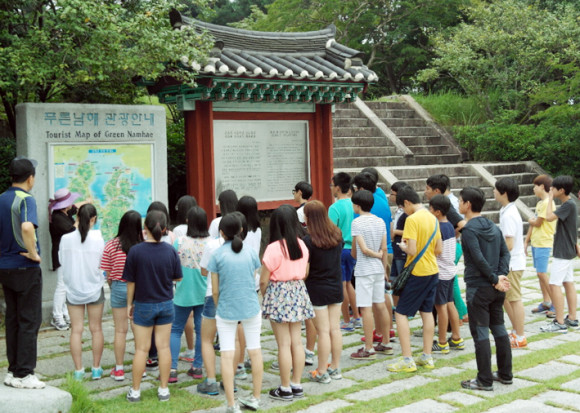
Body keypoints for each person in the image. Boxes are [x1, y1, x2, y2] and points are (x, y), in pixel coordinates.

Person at [123, 210, 183, 403]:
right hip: (166, 304)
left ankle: (135, 391)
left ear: (145, 228)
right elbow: (178, 277)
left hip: (143, 304)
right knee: (164, 347)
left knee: (141, 349)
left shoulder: (135, 251)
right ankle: (164, 390)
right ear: (165, 229)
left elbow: (130, 282)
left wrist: (129, 304)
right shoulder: (170, 251)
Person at [458, 186, 512, 391]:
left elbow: (478, 258)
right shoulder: (492, 226)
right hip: (495, 288)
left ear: (468, 204)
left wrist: (495, 278)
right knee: (499, 328)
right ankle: (505, 374)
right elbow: (505, 254)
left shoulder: (469, 230)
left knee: (480, 332)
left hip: (479, 288)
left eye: (460, 201)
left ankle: (484, 380)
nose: (459, 204)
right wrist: (500, 277)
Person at [208, 214, 263, 412]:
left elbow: (215, 290)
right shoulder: (251, 252)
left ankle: (231, 404)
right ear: (241, 230)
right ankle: (256, 397)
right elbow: (253, 277)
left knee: (226, 355)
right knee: (255, 351)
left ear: (221, 233)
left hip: (226, 308)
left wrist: (219, 306)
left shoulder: (217, 255)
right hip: (250, 306)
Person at [261, 205, 314, 401]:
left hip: (278, 292)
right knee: (297, 342)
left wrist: (266, 296)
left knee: (283, 344)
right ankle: (296, 384)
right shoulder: (302, 244)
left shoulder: (273, 248)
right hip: (298, 291)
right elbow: (305, 272)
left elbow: (263, 280)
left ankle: (284, 388)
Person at [0, 157, 45, 389]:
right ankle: (25, 374)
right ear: (30, 178)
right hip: (25, 267)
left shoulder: (1, 198)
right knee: (29, 319)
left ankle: (13, 371)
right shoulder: (26, 199)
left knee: (13, 319)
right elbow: (27, 227)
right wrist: (33, 253)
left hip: (5, 267)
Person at [387, 186, 441, 373]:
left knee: (401, 313)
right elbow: (438, 249)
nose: (404, 211)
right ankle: (427, 356)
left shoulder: (412, 219)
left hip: (417, 272)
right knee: (427, 312)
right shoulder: (432, 217)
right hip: (432, 270)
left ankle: (407, 359)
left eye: (403, 207)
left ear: (407, 202)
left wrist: (403, 247)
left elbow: (412, 250)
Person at [60, 204, 105, 380]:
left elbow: (62, 261)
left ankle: (78, 371)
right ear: (94, 219)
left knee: (76, 330)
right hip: (94, 288)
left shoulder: (66, 239)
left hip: (73, 289)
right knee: (96, 329)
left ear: (77, 217)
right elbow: (102, 263)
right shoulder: (98, 238)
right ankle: (96, 368)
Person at [303, 200, 344, 383]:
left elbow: (305, 271)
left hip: (317, 289)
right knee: (335, 329)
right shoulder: (337, 234)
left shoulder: (309, 241)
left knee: (323, 331)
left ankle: (321, 371)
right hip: (335, 286)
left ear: (309, 218)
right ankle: (335, 367)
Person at [349, 189, 393, 360]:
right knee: (380, 305)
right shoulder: (380, 221)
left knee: (366, 308)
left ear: (357, 205)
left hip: (364, 269)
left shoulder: (357, 223)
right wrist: (383, 267)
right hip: (378, 269)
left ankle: (368, 347)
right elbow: (384, 247)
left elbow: (360, 250)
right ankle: (386, 342)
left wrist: (373, 254)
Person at [100, 210, 144, 381]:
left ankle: (118, 369)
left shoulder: (111, 245)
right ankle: (141, 367)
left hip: (118, 286)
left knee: (120, 330)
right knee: (138, 329)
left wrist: (114, 286)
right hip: (139, 289)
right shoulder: (142, 245)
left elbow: (108, 273)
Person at [170, 206, 210, 382]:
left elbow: (173, 266)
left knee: (175, 330)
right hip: (204, 293)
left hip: (183, 292)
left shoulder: (179, 242)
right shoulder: (211, 243)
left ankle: (172, 369)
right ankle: (197, 367)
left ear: (188, 222)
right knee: (202, 331)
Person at [540, 175, 579, 333]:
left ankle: (559, 322)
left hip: (563, 251)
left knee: (554, 284)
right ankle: (572, 318)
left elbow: (549, 217)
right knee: (568, 283)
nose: (551, 190)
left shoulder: (568, 205)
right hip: (567, 249)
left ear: (561, 190)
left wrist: (549, 199)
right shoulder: (571, 204)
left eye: (553, 188)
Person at [428, 195, 464, 354]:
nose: (428, 211)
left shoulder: (437, 228)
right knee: (450, 304)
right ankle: (456, 337)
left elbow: (437, 250)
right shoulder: (449, 225)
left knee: (441, 307)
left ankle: (442, 342)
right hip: (450, 271)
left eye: (430, 209)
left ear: (437, 212)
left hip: (440, 273)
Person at [494, 177, 526, 348]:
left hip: (512, 263)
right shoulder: (507, 210)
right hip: (511, 262)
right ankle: (515, 331)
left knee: (514, 299)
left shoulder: (509, 214)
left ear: (504, 193)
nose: (493, 192)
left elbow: (509, 244)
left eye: (496, 189)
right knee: (507, 297)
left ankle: (520, 336)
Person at [328, 172, 360, 331]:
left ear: (338, 188)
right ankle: (357, 317)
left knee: (342, 284)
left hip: (340, 250)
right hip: (353, 248)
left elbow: (331, 231)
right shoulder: (353, 204)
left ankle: (346, 320)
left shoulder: (334, 208)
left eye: (332, 185)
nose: (331, 188)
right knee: (349, 284)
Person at [48, 188, 82, 331]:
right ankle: (57, 316)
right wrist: (79, 220)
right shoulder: (57, 218)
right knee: (62, 286)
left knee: (66, 285)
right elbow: (71, 230)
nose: (72, 204)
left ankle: (64, 313)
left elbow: (75, 208)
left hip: (66, 254)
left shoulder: (64, 213)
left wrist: (86, 202)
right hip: (60, 254)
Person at [236, 195, 263, 377]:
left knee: (239, 323)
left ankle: (239, 363)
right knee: (250, 322)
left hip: (241, 279)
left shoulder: (240, 230)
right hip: (254, 278)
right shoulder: (258, 229)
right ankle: (248, 357)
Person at [524, 175, 556, 315]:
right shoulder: (540, 203)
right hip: (536, 242)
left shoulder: (548, 203)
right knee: (539, 274)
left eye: (535, 186)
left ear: (542, 186)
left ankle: (556, 304)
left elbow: (537, 222)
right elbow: (534, 224)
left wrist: (530, 220)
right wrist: (526, 241)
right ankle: (546, 302)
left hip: (544, 242)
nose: (533, 188)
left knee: (542, 273)